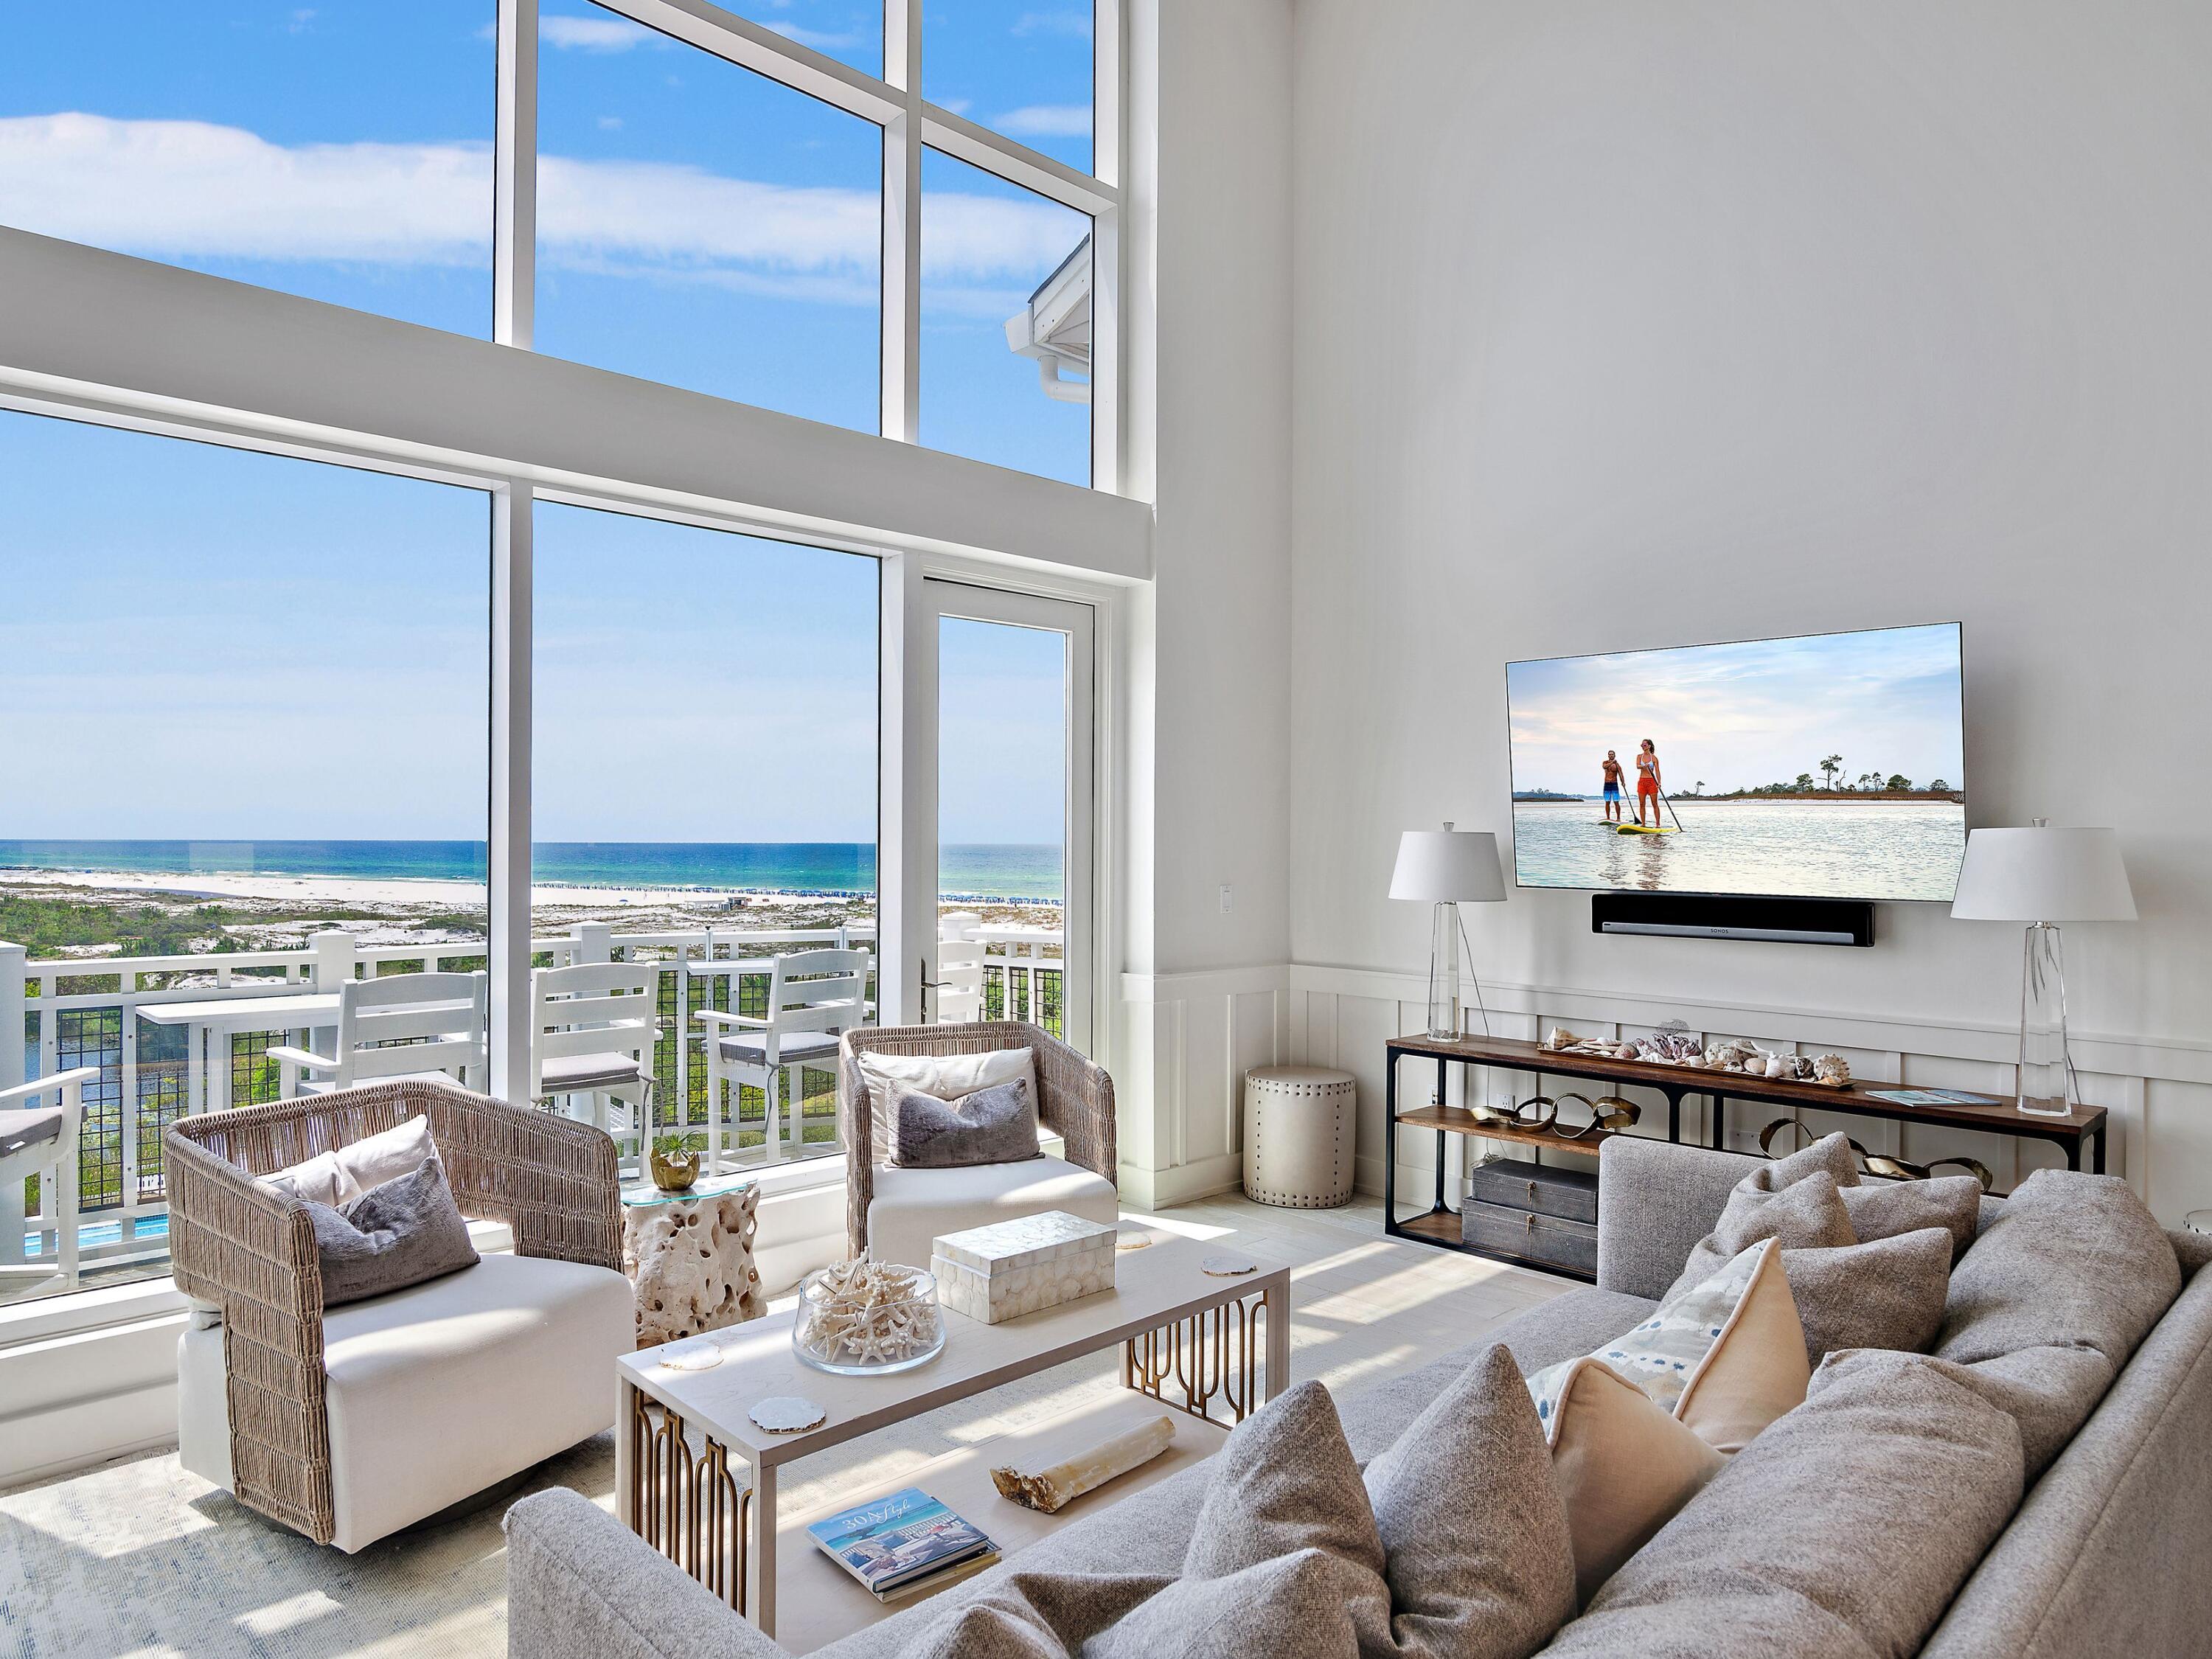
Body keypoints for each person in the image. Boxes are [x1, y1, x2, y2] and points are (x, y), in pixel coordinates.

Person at [1635, 739, 1663, 827]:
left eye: (1644, 745)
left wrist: (1659, 782)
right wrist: (1644, 766)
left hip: (1652, 781)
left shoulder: (1654, 758)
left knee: (1654, 803)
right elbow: (1638, 766)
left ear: (1649, 746)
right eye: (1642, 745)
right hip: (1642, 781)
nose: (1643, 746)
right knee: (1642, 804)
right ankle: (1643, 823)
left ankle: (1658, 824)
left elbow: (1657, 771)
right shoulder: (1639, 756)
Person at [1599, 750, 1625, 822]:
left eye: (1612, 754)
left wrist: (1623, 782)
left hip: (1614, 784)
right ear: (1608, 756)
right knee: (1607, 802)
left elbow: (1620, 773)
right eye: (1610, 754)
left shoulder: (1617, 765)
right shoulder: (1605, 763)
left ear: (1614, 756)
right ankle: (1608, 817)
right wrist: (1611, 763)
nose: (1611, 755)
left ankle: (1618, 818)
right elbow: (1604, 767)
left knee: (1616, 802)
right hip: (1607, 784)